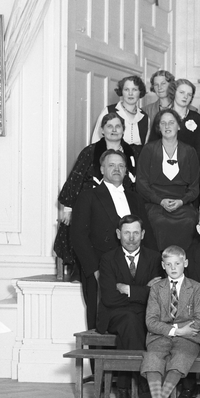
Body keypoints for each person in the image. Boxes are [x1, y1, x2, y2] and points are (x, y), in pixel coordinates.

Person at [63, 136, 142, 320]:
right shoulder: (87, 196)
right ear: (101, 169)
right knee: (100, 320)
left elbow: (148, 235)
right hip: (99, 267)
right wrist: (95, 270)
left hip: (133, 268)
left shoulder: (136, 199)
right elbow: (78, 236)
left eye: (121, 166)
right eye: (111, 165)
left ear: (126, 170)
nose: (117, 169)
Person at [137, 246, 200, 398]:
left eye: (177, 263)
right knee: (153, 357)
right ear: (163, 265)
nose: (173, 268)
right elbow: (151, 322)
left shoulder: (195, 287)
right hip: (160, 335)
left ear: (185, 263)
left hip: (189, 337)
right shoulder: (156, 288)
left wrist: (182, 331)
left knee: (181, 357)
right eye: (169, 264)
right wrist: (176, 330)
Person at [136, 108, 200, 251]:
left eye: (171, 122)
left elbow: (195, 186)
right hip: (155, 203)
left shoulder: (189, 151)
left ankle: (182, 261)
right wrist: (160, 201)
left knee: (190, 220)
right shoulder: (149, 150)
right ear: (158, 127)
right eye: (163, 123)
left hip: (182, 203)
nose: (167, 126)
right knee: (158, 221)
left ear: (179, 126)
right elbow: (141, 183)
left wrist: (181, 201)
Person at [97, 215, 160, 352]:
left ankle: (129, 367)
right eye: (127, 233)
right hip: (115, 315)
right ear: (118, 234)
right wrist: (144, 290)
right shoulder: (108, 259)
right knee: (131, 320)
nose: (131, 238)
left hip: (145, 314)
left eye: (136, 233)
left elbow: (157, 295)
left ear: (142, 234)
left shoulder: (155, 258)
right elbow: (109, 298)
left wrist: (127, 289)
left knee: (140, 321)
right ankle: (141, 366)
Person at [90, 75, 148, 150]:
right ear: (121, 92)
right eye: (126, 89)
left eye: (134, 89)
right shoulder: (108, 111)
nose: (130, 93)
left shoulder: (144, 117)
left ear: (140, 92)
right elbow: (96, 141)